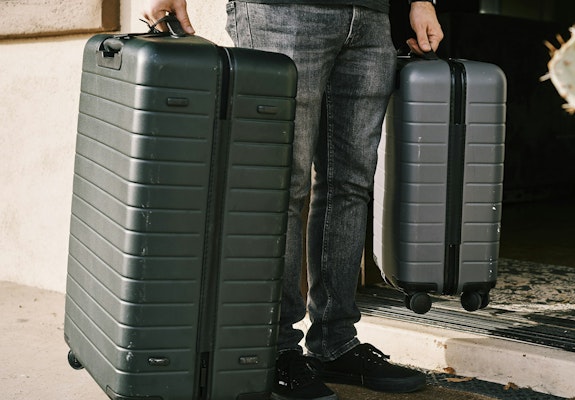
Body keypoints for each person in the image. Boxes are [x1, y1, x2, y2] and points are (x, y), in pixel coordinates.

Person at [143, 1, 443, 399]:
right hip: (280, 12)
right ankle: (274, 350)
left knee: (350, 185)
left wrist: (422, 2)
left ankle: (335, 343)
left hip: (370, 16)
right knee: (282, 186)